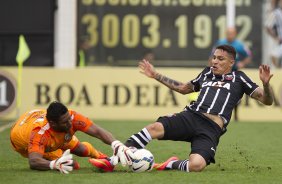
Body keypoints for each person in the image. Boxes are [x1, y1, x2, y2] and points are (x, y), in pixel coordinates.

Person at [90, 45, 273, 172]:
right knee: (153, 128)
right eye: (214, 57)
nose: (214, 62)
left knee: (196, 166)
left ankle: (168, 165)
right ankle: (112, 160)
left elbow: (267, 100)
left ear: (231, 63)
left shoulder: (239, 78)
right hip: (191, 116)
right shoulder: (207, 73)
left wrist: (265, 85)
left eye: (220, 59)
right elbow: (183, 88)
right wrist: (155, 75)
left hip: (211, 129)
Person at [10, 101, 135, 174]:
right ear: (53, 123)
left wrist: (116, 144)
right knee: (72, 165)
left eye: (68, 119)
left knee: (80, 149)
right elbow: (33, 161)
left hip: (36, 117)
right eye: (65, 122)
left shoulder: (71, 117)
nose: (70, 123)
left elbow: (96, 130)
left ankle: (102, 157)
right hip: (21, 139)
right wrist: (53, 164)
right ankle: (56, 157)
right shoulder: (40, 133)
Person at [210, 27, 252, 121]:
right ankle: (217, 114)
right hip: (220, 72)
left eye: (231, 33)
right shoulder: (220, 43)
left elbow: (249, 55)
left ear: (235, 34)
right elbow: (212, 55)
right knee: (218, 92)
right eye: (228, 33)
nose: (230, 35)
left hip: (234, 72)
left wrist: (243, 63)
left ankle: (236, 115)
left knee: (235, 93)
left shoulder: (239, 45)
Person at [265, 0, 282, 68]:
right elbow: (267, 26)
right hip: (280, 41)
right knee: (273, 55)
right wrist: (275, 37)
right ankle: (279, 70)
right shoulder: (276, 13)